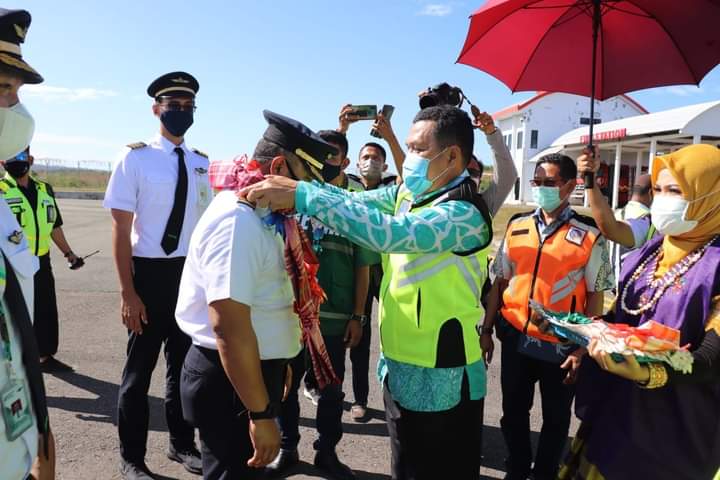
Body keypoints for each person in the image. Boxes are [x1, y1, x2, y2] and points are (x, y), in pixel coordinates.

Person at [242, 105, 494, 480]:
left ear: (453, 155)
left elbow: (387, 233)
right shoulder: (409, 193)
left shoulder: (463, 215)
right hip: (401, 363)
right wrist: (307, 187)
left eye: (418, 150)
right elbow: (357, 203)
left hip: (444, 370)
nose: (409, 160)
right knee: (404, 466)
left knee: (441, 470)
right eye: (406, 149)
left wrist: (303, 195)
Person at [176, 110, 338, 479]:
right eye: (301, 183)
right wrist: (260, 413)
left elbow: (269, 301)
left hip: (249, 375)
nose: (302, 198)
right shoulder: (240, 222)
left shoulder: (267, 216)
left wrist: (274, 365)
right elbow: (229, 329)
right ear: (279, 166)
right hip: (228, 383)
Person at [558, 144, 720, 479]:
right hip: (616, 412)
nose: (662, 199)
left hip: (673, 431)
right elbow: (623, 318)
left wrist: (649, 372)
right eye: (658, 190)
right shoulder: (650, 251)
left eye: (675, 190)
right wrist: (585, 336)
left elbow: (710, 357)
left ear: (711, 195)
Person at [480, 153, 614, 480]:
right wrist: (486, 329)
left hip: (562, 346)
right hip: (515, 335)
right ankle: (516, 468)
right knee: (512, 413)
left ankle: (543, 473)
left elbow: (597, 294)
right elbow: (499, 281)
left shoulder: (589, 234)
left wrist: (584, 346)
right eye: (536, 182)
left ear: (569, 186)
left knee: (556, 419)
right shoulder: (517, 225)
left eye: (549, 183)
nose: (540, 188)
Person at [104, 72, 209, 479]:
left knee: (184, 368)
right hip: (146, 274)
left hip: (186, 275)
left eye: (188, 107)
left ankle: (181, 443)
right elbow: (119, 228)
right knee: (137, 374)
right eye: (173, 105)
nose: (181, 112)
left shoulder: (200, 162)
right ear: (156, 109)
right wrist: (127, 292)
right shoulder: (134, 157)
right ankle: (132, 456)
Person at [268, 129, 372, 480]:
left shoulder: (355, 204)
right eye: (320, 157)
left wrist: (358, 315)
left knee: (330, 389)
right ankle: (287, 446)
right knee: (287, 383)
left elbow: (363, 267)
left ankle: (326, 451)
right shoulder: (297, 196)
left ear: (344, 160)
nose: (326, 163)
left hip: (334, 315)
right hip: (293, 313)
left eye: (332, 156)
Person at [0, 9, 56, 480]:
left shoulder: (2, 195)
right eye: (3, 89)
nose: (17, 109)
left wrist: (39, 425)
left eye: (17, 92)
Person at [0, 146, 82, 373]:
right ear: (2, 162)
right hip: (11, 263)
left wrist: (69, 253)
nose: (17, 161)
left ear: (30, 159)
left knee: (45, 310)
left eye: (21, 156)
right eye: (11, 157)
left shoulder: (45, 189)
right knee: (11, 315)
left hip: (41, 260)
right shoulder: (1, 190)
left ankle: (44, 357)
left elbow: (54, 224)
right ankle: (11, 367)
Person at [578, 150, 657, 287]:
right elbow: (612, 229)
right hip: (633, 289)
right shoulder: (645, 221)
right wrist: (590, 181)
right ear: (651, 193)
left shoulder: (618, 213)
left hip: (616, 283)